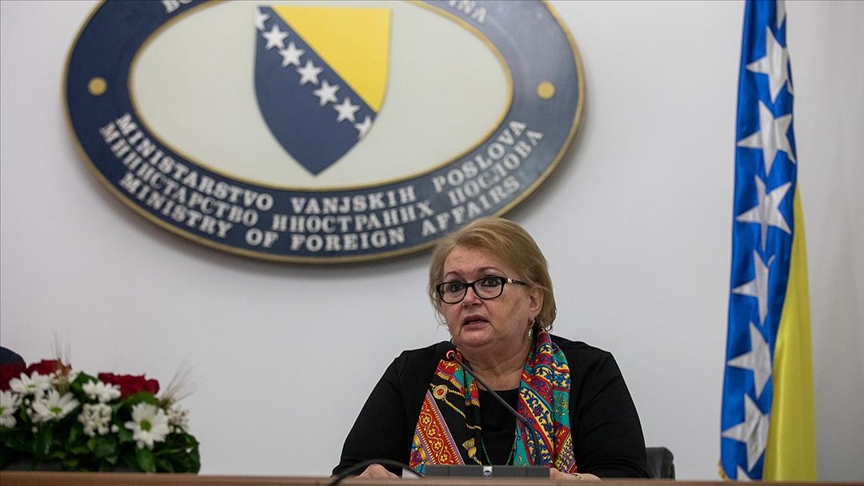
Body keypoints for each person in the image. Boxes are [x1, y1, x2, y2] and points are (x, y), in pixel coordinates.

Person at [333, 217, 648, 480]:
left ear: (534, 300)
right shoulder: (411, 374)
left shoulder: (587, 371)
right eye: (455, 287)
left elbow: (626, 477)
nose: (469, 299)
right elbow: (352, 473)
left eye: (489, 282)